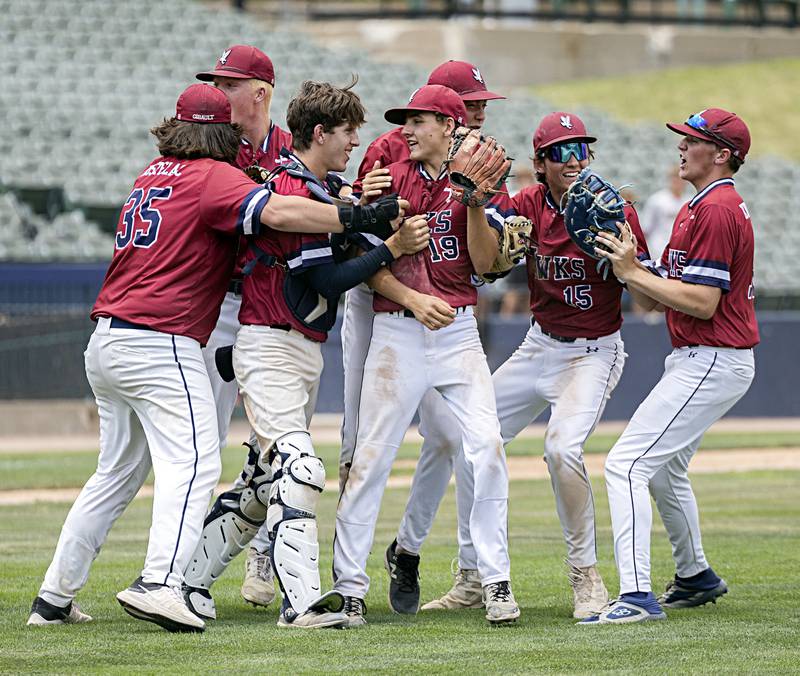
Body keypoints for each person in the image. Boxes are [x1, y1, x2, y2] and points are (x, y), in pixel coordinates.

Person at [26, 84, 405, 632]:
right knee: (198, 462)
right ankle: (160, 584)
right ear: (219, 132)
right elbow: (278, 211)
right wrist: (358, 217)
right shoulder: (212, 174)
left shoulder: (151, 173)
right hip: (160, 339)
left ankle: (53, 598)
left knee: (116, 473)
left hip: (106, 339)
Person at [408, 112, 649, 619]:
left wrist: (628, 262)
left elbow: (645, 294)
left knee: (562, 450)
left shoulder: (613, 207)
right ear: (539, 163)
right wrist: (482, 213)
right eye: (562, 152)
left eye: (582, 150)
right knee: (475, 440)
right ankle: (473, 576)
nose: (575, 161)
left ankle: (586, 574)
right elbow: (490, 260)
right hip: (539, 344)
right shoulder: (527, 205)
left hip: (593, 349)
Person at [230, 79, 428, 629]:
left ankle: (183, 582)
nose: (354, 143)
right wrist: (391, 244)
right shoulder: (295, 188)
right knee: (302, 468)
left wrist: (380, 210)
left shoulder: (328, 186)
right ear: (320, 132)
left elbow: (352, 226)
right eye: (347, 132)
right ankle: (302, 606)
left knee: (260, 484)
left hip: (300, 345)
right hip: (271, 340)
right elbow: (328, 277)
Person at [333, 85, 519, 627]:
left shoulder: (478, 180)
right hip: (399, 331)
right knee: (371, 459)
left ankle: (496, 579)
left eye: (417, 122)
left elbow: (485, 265)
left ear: (447, 124)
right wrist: (410, 289)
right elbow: (363, 258)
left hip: (459, 333)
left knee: (486, 446)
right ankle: (349, 588)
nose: (407, 131)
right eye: (406, 122)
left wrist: (479, 205)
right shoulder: (394, 174)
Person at [582, 108, 757, 625]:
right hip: (702, 356)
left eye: (692, 140)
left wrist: (633, 270)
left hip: (713, 355)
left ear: (722, 154)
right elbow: (664, 298)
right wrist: (627, 262)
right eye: (682, 139)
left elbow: (701, 302)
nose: (681, 146)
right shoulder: (695, 207)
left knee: (627, 464)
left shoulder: (718, 209)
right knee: (664, 471)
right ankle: (695, 575)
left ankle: (635, 596)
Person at [185, 44, 293, 613]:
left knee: (275, 441)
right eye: (216, 83)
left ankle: (263, 551)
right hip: (222, 306)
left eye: (228, 84)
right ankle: (180, 573)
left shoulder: (291, 150)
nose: (218, 93)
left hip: (276, 308)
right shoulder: (210, 149)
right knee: (202, 443)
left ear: (260, 92)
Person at [640, 165, 686, 270]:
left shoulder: (688, 201)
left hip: (678, 255)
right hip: (657, 251)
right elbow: (646, 229)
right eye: (675, 178)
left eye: (680, 179)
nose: (678, 182)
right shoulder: (656, 200)